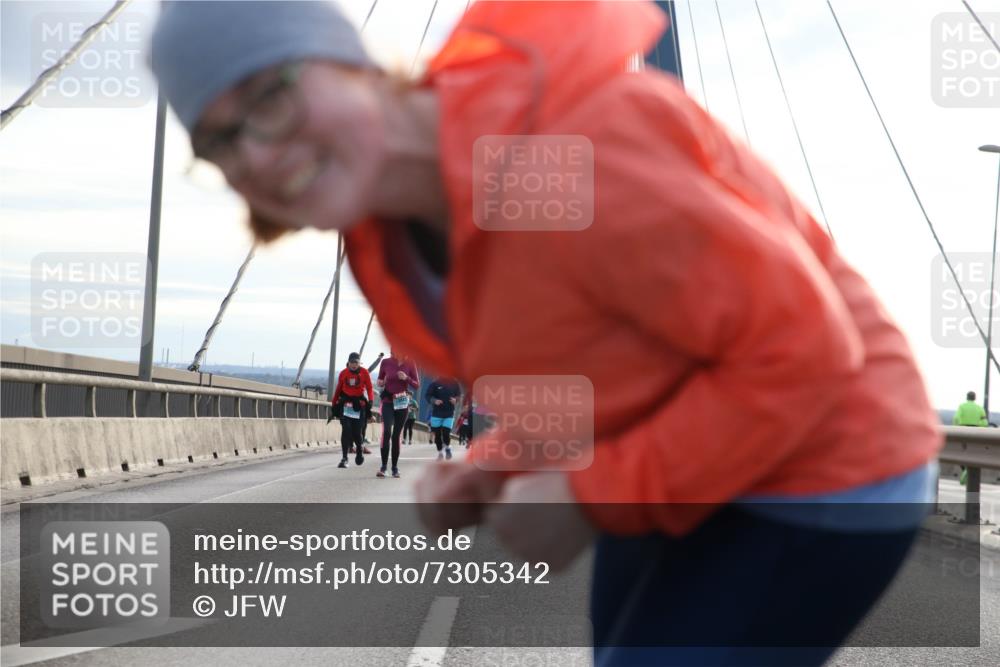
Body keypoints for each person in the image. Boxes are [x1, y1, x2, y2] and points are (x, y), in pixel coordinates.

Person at [150, 2, 943, 663]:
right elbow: (593, 371)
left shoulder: (568, 147)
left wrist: (590, 491)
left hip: (826, 462)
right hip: (689, 451)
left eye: (269, 95)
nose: (256, 152)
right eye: (217, 142)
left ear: (351, 62)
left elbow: (802, 352)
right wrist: (495, 461)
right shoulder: (388, 234)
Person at [374, 350, 420, 478]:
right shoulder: (386, 362)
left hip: (402, 403)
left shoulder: (411, 363)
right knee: (387, 431)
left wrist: (406, 378)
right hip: (388, 401)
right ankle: (383, 467)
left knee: (396, 436)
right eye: (393, 351)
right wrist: (380, 382)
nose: (395, 353)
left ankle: (394, 468)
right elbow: (380, 379)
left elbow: (417, 385)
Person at [329, 352, 373, 468]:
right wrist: (334, 404)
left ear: (359, 363)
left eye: (356, 363)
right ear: (348, 363)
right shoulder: (344, 373)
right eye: (352, 363)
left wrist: (371, 400)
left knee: (357, 432)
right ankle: (344, 458)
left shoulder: (364, 372)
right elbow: (338, 389)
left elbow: (369, 387)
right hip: (346, 405)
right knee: (346, 430)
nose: (354, 365)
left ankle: (359, 450)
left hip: (359, 405)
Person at [953, 390, 988, 485]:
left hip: (963, 431)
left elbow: (956, 418)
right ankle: (968, 471)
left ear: (967, 397)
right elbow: (985, 422)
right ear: (974, 398)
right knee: (973, 454)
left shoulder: (962, 406)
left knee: (961, 452)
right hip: (975, 432)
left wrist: (957, 427)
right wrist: (977, 425)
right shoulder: (979, 408)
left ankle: (965, 470)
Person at [425, 376, 461, 460]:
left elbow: (458, 395)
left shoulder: (454, 383)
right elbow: (427, 395)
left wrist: (456, 400)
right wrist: (434, 401)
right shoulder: (435, 383)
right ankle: (440, 452)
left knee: (446, 433)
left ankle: (448, 448)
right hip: (436, 413)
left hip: (449, 413)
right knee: (437, 435)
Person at [360, 351, 384, 447]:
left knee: (364, 423)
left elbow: (371, 367)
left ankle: (361, 442)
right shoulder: (351, 375)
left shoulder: (364, 374)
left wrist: (379, 359)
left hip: (364, 403)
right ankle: (357, 441)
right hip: (355, 402)